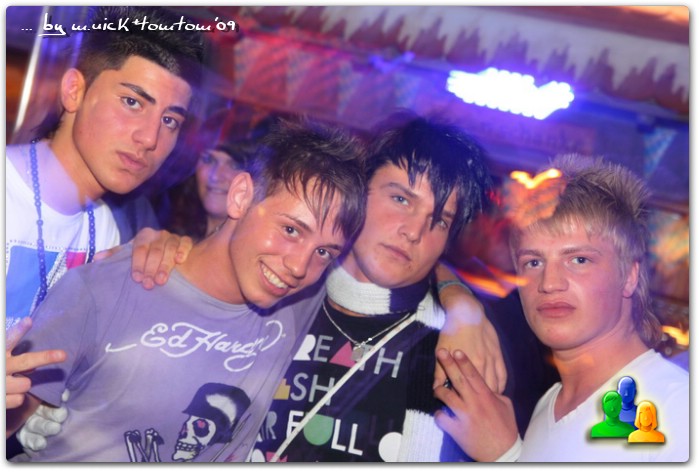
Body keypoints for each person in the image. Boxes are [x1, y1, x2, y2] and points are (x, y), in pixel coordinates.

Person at [6, 118, 368, 462]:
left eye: (324, 252)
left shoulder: (299, 305)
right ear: (241, 196)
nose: (300, 266)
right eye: (291, 230)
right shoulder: (105, 288)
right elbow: (11, 417)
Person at [5, 5, 207, 457]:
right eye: (132, 102)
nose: (149, 138)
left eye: (170, 120)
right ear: (74, 90)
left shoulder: (119, 233)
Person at [249, 112, 495, 462]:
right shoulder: (280, 288)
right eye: (401, 199)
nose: (414, 231)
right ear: (360, 190)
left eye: (439, 220)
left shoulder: (455, 349)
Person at [433, 155, 689, 462]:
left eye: (579, 260)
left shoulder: (679, 407)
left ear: (629, 276)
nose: (549, 283)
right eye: (533, 262)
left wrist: (504, 457)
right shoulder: (548, 406)